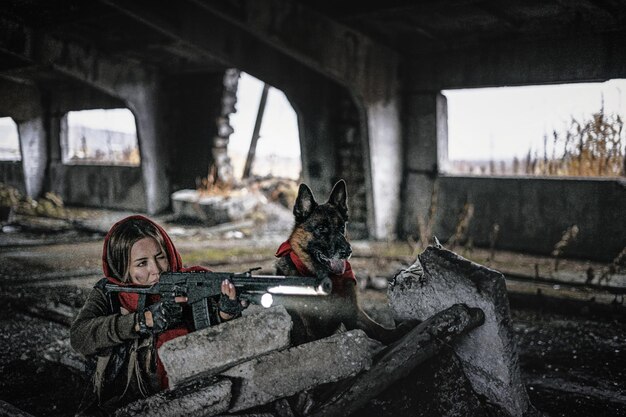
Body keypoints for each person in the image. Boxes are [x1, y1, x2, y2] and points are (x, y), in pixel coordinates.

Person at [70, 215, 242, 416]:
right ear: (123, 268)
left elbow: (224, 346)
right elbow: (79, 336)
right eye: (142, 263)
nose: (157, 270)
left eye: (160, 256)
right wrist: (140, 321)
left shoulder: (195, 281)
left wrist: (226, 314)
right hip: (132, 401)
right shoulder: (110, 293)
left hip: (196, 397)